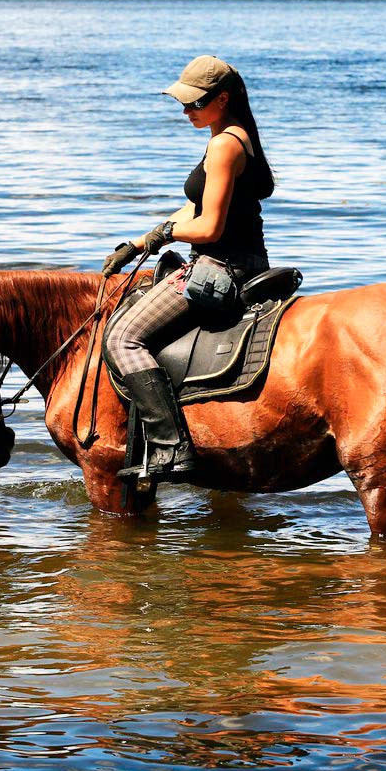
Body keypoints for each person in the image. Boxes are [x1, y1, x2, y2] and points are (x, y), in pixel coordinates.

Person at [102, 55, 276, 479]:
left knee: (122, 338)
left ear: (223, 98)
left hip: (223, 265)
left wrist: (165, 237)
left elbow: (210, 227)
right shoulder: (231, 136)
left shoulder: (224, 145)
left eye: (194, 104)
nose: (185, 111)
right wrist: (140, 241)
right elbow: (195, 207)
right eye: (183, 103)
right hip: (246, 259)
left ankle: (170, 448)